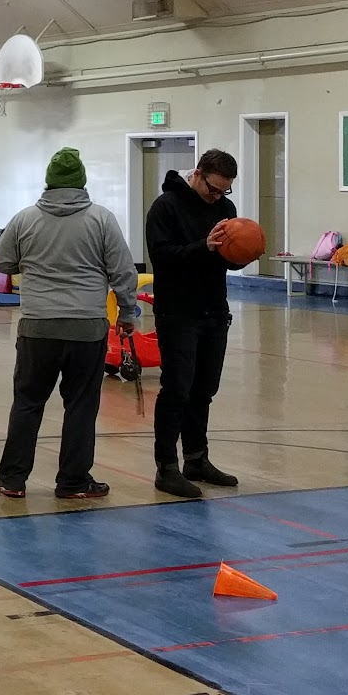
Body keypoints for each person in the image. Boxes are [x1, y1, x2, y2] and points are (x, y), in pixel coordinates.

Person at [0, 148, 139, 501]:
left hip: (37, 328)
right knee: (81, 406)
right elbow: (122, 270)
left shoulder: (25, 219)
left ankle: (13, 479)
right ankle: (73, 482)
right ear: (82, 182)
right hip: (87, 328)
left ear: (49, 182)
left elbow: (1, 261)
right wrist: (127, 313)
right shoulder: (101, 219)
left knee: (28, 403)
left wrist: (33, 263)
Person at [146, 148, 242, 498]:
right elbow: (161, 257)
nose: (218, 196)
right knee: (176, 390)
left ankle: (196, 459)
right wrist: (205, 247)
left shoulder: (225, 208)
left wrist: (243, 251)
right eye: (213, 188)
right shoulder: (165, 207)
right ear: (198, 174)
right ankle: (166, 468)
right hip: (177, 313)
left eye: (224, 190)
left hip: (214, 311)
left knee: (204, 390)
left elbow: (226, 260)